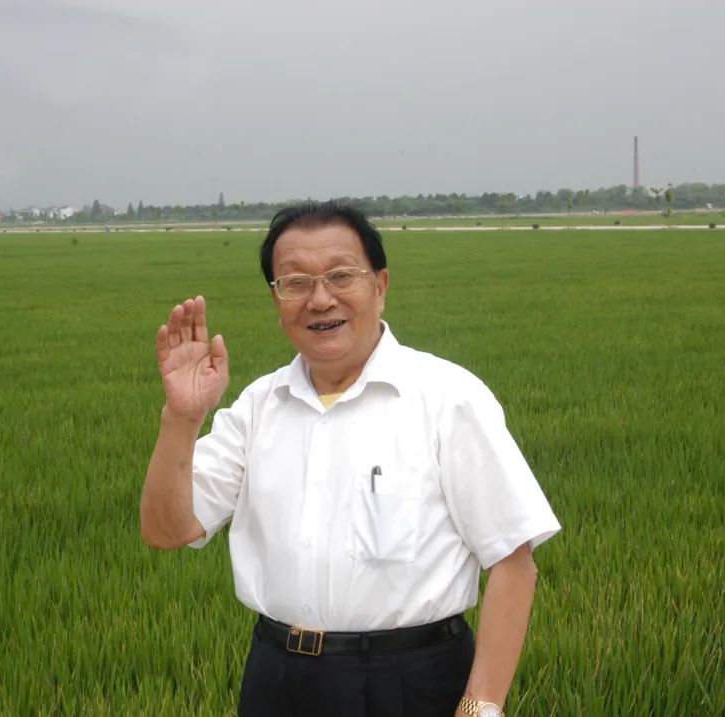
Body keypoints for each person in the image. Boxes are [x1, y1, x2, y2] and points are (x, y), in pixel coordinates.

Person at [140, 201, 561, 717]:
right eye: (295, 283)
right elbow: (167, 530)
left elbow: (513, 563)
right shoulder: (257, 407)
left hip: (411, 683)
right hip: (277, 678)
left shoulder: (447, 398)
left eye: (341, 276)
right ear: (276, 297)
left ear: (380, 285)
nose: (320, 300)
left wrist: (481, 707)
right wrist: (182, 419)